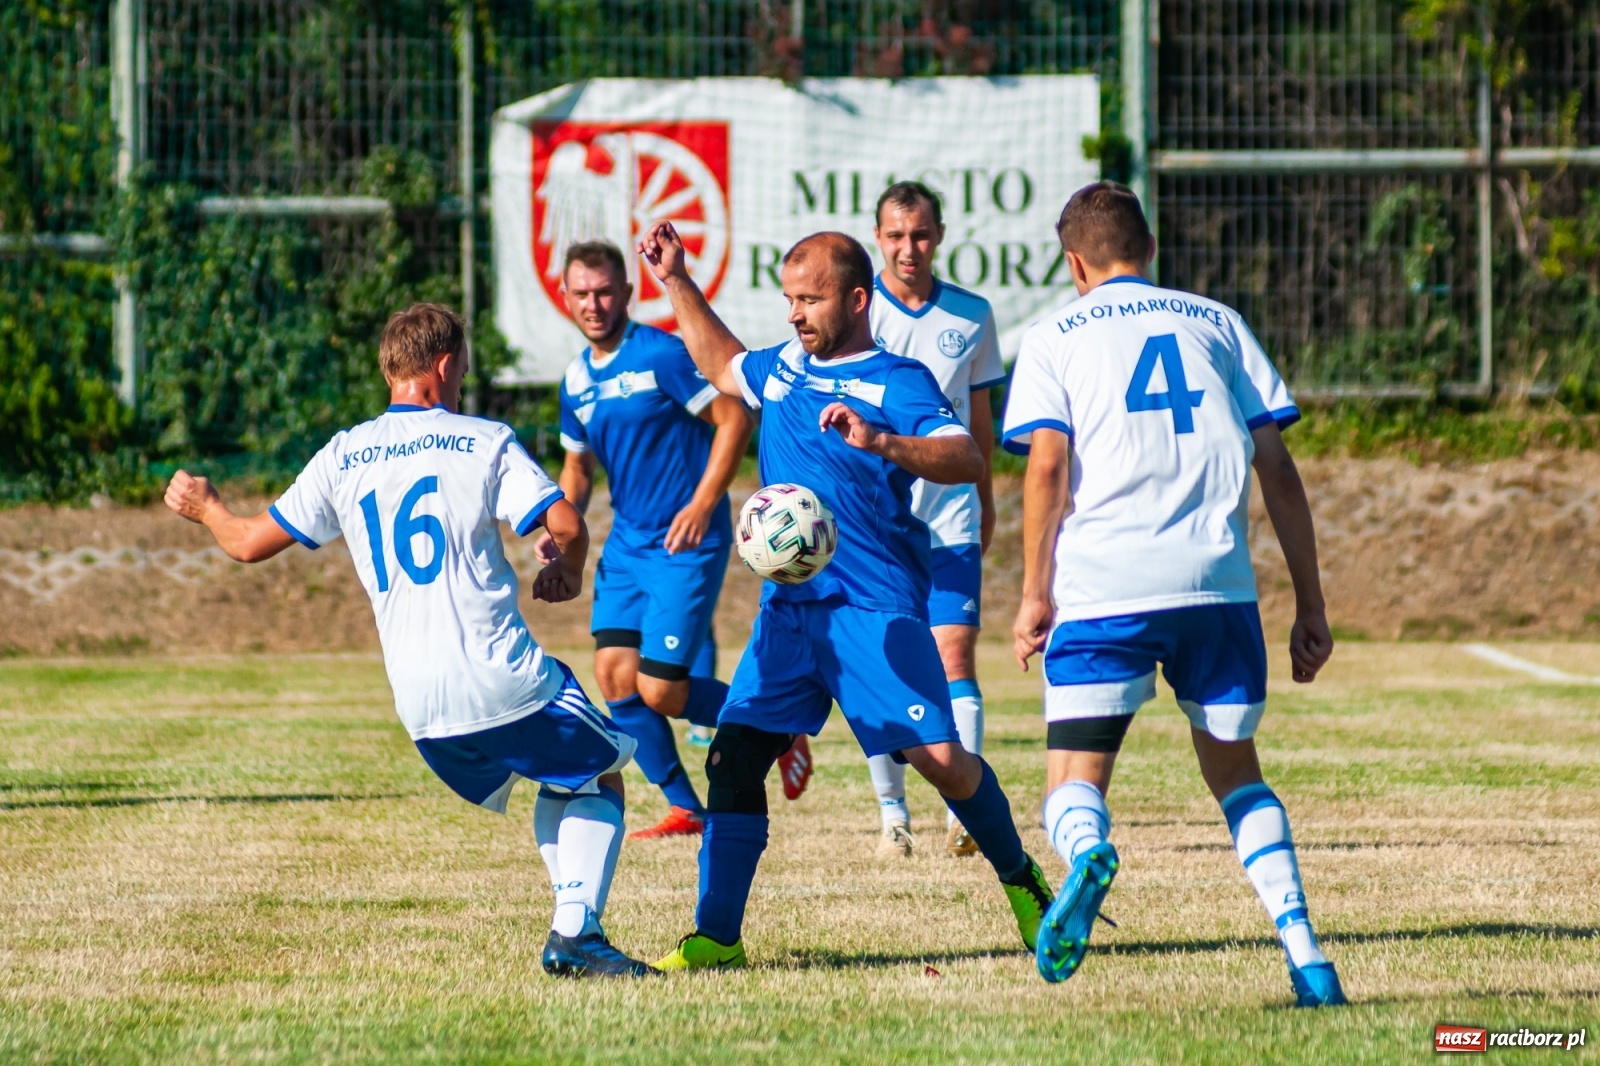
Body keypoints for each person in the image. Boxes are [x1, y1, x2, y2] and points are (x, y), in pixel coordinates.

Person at [163, 303, 657, 978]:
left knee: (562, 775)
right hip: (497, 677)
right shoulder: (482, 440)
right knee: (600, 772)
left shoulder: (344, 454)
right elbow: (565, 521)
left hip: (422, 712)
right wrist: (566, 570)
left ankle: (574, 932)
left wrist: (206, 507)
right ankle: (577, 934)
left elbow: (248, 543)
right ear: (447, 366)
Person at [636, 221, 1056, 970]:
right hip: (790, 617)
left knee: (941, 761)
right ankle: (716, 938)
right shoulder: (785, 369)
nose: (795, 315)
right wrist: (675, 280)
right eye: (790, 300)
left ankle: (1024, 882)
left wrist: (884, 442)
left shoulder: (898, 381)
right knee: (733, 759)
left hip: (874, 608)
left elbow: (965, 456)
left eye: (811, 300)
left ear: (857, 299)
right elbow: (725, 364)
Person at [1004, 182, 1345, 1006]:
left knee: (1071, 785)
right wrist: (1311, 603)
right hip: (1217, 587)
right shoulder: (1217, 322)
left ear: (1074, 263)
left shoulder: (1054, 334)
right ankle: (1307, 956)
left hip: (1106, 589)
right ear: (1150, 249)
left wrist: (1033, 594)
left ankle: (1087, 852)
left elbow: (1047, 466)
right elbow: (1280, 471)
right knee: (1238, 777)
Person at [543, 241, 789, 842]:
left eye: (605, 291)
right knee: (614, 680)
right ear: (566, 297)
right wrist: (558, 524)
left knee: (661, 689)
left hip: (685, 541)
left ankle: (777, 724)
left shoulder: (660, 354)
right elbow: (577, 468)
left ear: (627, 292)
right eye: (582, 294)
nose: (594, 304)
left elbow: (734, 417)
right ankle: (687, 808)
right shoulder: (576, 378)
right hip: (627, 546)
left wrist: (704, 503)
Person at [865, 180, 1005, 860]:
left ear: (940, 235)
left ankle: (964, 810)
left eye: (919, 235)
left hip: (950, 516)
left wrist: (986, 494)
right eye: (895, 236)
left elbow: (978, 419)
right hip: (878, 524)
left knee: (954, 653)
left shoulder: (973, 316)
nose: (908, 248)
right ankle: (893, 814)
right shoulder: (861, 317)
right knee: (885, 662)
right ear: (878, 240)